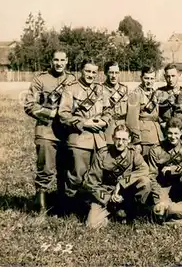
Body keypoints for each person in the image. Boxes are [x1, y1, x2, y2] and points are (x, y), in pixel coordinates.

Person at [24, 50, 76, 213]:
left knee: (66, 168)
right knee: (45, 169)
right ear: (51, 61)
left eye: (62, 60)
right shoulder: (41, 80)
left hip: (67, 131)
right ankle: (41, 206)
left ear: (67, 61)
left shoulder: (72, 79)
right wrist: (51, 113)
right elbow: (29, 105)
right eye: (56, 60)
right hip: (47, 130)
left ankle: (62, 205)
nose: (59, 63)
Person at [58, 58, 112, 206]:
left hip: (99, 140)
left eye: (94, 72)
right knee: (77, 176)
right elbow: (63, 114)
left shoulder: (100, 89)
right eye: (88, 71)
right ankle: (68, 206)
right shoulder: (71, 88)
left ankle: (87, 205)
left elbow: (108, 110)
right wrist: (84, 123)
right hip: (79, 139)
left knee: (96, 175)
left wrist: (104, 121)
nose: (91, 75)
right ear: (81, 70)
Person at [83, 124, 151, 228]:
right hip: (106, 192)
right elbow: (91, 183)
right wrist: (108, 197)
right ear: (113, 138)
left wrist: (123, 182)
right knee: (91, 225)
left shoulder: (134, 154)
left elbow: (144, 169)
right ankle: (112, 212)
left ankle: (134, 214)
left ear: (129, 140)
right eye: (118, 139)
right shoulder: (103, 154)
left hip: (126, 192)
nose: (120, 143)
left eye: (124, 139)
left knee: (145, 182)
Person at [148, 117, 182, 204]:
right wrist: (157, 194)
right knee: (162, 210)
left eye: (176, 133)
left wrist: (172, 169)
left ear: (181, 132)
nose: (173, 137)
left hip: (181, 185)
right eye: (169, 133)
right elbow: (151, 175)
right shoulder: (156, 149)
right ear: (165, 132)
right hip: (163, 186)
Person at [126, 66, 164, 159]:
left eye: (152, 78)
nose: (149, 81)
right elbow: (131, 120)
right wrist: (137, 141)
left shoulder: (155, 93)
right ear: (141, 78)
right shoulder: (135, 94)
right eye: (146, 78)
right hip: (144, 138)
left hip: (157, 135)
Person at [101, 61, 129, 146]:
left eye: (116, 73)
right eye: (111, 73)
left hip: (122, 126)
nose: (114, 76)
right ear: (105, 73)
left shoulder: (124, 89)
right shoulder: (100, 89)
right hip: (108, 128)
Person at [156, 64, 182, 129]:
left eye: (173, 76)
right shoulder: (158, 92)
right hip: (164, 127)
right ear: (164, 76)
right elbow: (154, 112)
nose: (170, 79)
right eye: (168, 76)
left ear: (179, 75)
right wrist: (161, 122)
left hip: (180, 128)